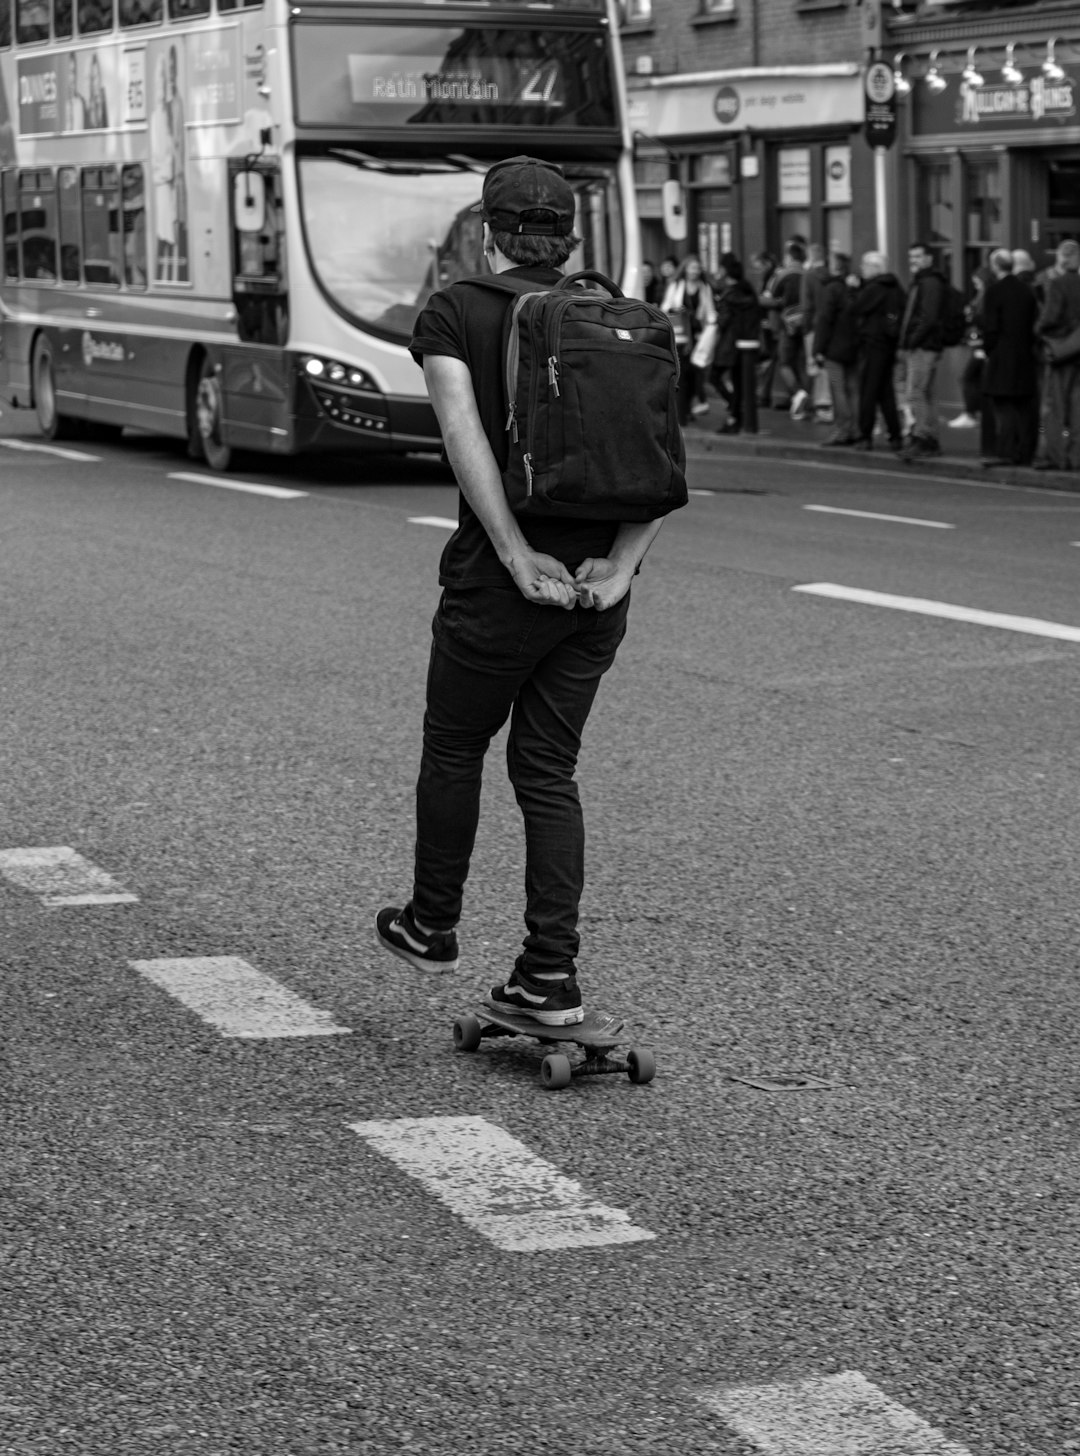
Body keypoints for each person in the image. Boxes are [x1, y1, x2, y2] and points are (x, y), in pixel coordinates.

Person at [378, 155, 675, 1027]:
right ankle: (550, 977)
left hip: (501, 586)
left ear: (487, 230)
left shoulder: (454, 310)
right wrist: (621, 570)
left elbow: (467, 445)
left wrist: (511, 554)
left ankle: (432, 923)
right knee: (548, 771)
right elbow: (659, 456)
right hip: (595, 591)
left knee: (455, 745)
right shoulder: (621, 318)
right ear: (571, 237)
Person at [980, 248, 1039, 467]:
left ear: (995, 265)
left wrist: (988, 350)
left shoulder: (994, 291)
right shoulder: (1027, 291)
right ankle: (1025, 451)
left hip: (1002, 356)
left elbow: (991, 326)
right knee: (1024, 406)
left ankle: (1006, 450)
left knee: (1003, 406)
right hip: (1025, 354)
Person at [851, 251, 905, 452]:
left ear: (875, 268)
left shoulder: (873, 289)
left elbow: (856, 308)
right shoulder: (895, 287)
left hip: (873, 343)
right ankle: (895, 435)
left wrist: (854, 290)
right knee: (885, 391)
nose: (862, 268)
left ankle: (865, 436)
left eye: (865, 265)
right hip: (889, 344)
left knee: (868, 390)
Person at [899, 241, 948, 459]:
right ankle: (929, 438)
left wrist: (912, 340)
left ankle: (923, 437)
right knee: (926, 394)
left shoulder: (929, 283)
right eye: (911, 257)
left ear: (929, 258)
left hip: (924, 346)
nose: (913, 261)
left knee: (916, 392)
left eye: (918, 257)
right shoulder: (924, 281)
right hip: (925, 344)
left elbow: (928, 317)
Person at [1034, 238, 1080, 470]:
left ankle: (1055, 456)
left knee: (1054, 406)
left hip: (1062, 351)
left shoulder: (1058, 284)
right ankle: (1076, 456)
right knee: (1078, 406)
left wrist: (1039, 330)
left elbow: (1049, 317)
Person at [709, 252, 761, 435]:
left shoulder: (729, 294)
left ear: (724, 270)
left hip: (731, 343)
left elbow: (723, 320)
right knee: (738, 381)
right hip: (744, 342)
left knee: (715, 376)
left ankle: (735, 413)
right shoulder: (745, 289)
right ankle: (736, 414)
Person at [661, 254, 716, 423]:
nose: (695, 272)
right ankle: (682, 413)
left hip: (698, 336)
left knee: (694, 374)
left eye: (698, 269)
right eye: (692, 268)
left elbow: (710, 312)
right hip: (680, 335)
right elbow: (665, 307)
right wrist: (676, 308)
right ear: (685, 269)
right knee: (682, 373)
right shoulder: (676, 285)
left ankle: (687, 408)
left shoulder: (704, 287)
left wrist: (712, 327)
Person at [813, 251, 860, 446]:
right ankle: (857, 429)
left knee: (838, 389)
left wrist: (817, 348)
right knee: (854, 390)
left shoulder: (832, 289)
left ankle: (842, 429)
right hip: (854, 345)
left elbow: (824, 320)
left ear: (836, 267)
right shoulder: (854, 288)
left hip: (835, 346)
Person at [765, 242, 809, 417]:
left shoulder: (784, 274)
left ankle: (798, 393)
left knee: (785, 363)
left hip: (788, 324)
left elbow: (772, 294)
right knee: (800, 363)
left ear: (789, 257)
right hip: (805, 324)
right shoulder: (808, 273)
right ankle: (801, 406)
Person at [948, 268, 991, 431]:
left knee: (968, 377)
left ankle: (971, 413)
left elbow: (982, 320)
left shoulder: (985, 298)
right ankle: (975, 412)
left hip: (980, 345)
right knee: (973, 379)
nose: (975, 285)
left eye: (977, 281)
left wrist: (971, 316)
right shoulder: (982, 296)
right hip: (978, 344)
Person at [801, 242, 833, 423]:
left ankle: (821, 406)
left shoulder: (809, 276)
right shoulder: (832, 275)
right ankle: (827, 404)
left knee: (814, 365)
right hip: (830, 327)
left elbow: (806, 305)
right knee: (827, 366)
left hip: (813, 326)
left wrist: (805, 329)